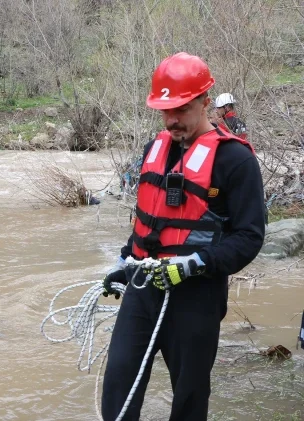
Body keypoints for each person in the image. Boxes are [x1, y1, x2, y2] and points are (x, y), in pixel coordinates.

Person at [100, 53, 265, 420]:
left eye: (181, 109)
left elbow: (250, 237)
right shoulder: (154, 149)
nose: (172, 119)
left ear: (205, 101)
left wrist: (195, 264)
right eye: (165, 111)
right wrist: (124, 260)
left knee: (189, 399)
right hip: (143, 288)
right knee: (118, 385)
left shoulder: (235, 160)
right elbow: (150, 220)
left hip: (196, 299)